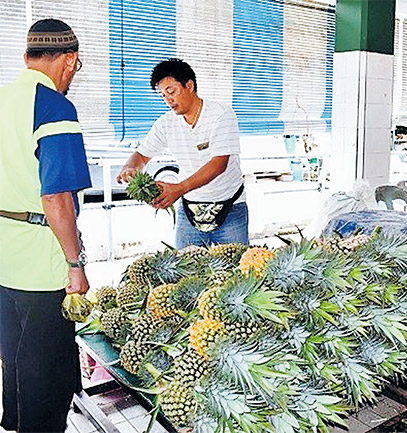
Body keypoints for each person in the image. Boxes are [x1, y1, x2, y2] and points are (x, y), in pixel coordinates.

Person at [0, 19, 91, 432]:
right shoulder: (54, 106)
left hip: (4, 255)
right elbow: (56, 197)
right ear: (69, 61)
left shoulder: (3, 100)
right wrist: (76, 263)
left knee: (13, 354)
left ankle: (15, 421)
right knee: (45, 370)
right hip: (41, 261)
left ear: (27, 58)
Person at [117, 58, 248, 248]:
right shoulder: (166, 123)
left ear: (189, 86)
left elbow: (219, 164)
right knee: (186, 271)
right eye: (163, 96)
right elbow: (142, 154)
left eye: (171, 91)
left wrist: (178, 189)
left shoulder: (221, 114)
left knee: (236, 272)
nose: (168, 100)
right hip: (189, 210)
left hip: (231, 208)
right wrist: (129, 168)